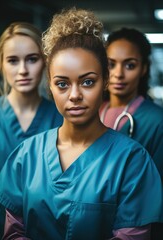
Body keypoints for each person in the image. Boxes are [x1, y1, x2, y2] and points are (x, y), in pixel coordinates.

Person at [0, 8, 162, 240]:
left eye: (88, 82)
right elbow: (13, 233)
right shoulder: (26, 155)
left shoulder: (132, 161)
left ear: (104, 81)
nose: (74, 95)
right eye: (62, 84)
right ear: (50, 86)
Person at [0, 21, 62, 240]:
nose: (23, 70)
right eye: (13, 61)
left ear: (45, 62)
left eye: (32, 59)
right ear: (1, 64)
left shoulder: (62, 117)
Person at [99, 27, 163, 239]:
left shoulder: (156, 121)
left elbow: (154, 193)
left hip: (134, 226)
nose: (119, 74)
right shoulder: (89, 113)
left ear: (144, 68)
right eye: (111, 64)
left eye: (130, 65)